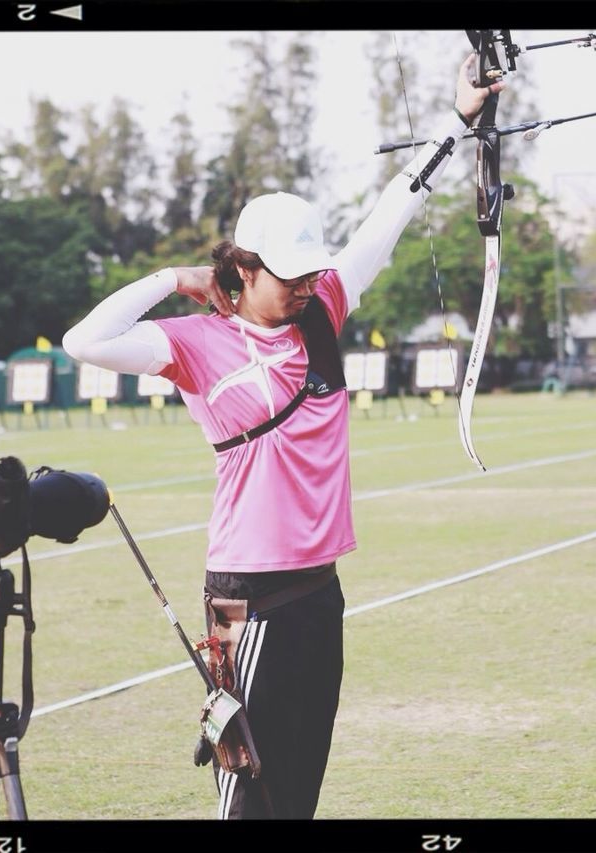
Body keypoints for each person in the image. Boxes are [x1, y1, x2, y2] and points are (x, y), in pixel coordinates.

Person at [63, 54, 503, 819]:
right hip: (247, 595)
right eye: (287, 274)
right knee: (250, 792)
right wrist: (174, 278)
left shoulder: (324, 308)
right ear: (242, 266)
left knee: (298, 790)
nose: (304, 285)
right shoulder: (197, 343)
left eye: (310, 271)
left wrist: (458, 123)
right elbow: (84, 341)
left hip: (317, 592)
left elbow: (388, 217)